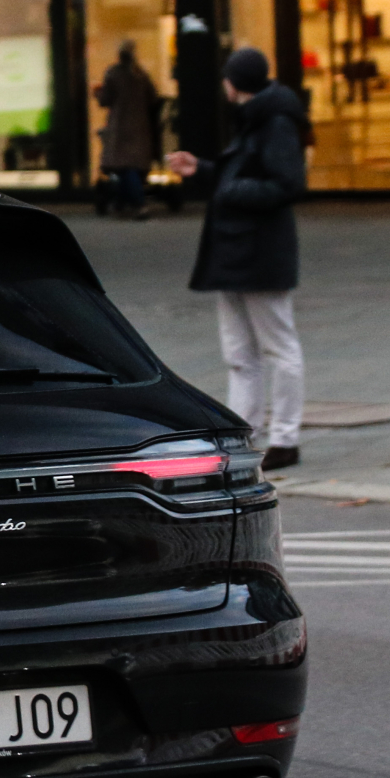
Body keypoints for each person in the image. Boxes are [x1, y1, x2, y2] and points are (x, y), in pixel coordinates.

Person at [167, 46, 308, 471]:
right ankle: (244, 434)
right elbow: (248, 174)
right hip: (238, 251)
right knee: (240, 352)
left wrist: (229, 190)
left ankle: (285, 438)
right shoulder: (259, 117)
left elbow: (287, 183)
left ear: (234, 83)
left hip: (257, 251)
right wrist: (206, 171)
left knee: (276, 346)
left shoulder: (274, 120)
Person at [91, 40, 161, 218]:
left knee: (124, 167)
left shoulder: (113, 74)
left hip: (120, 128)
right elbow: (153, 98)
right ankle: (122, 203)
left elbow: (105, 99)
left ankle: (138, 203)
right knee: (131, 167)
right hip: (140, 127)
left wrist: (97, 92)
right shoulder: (141, 75)